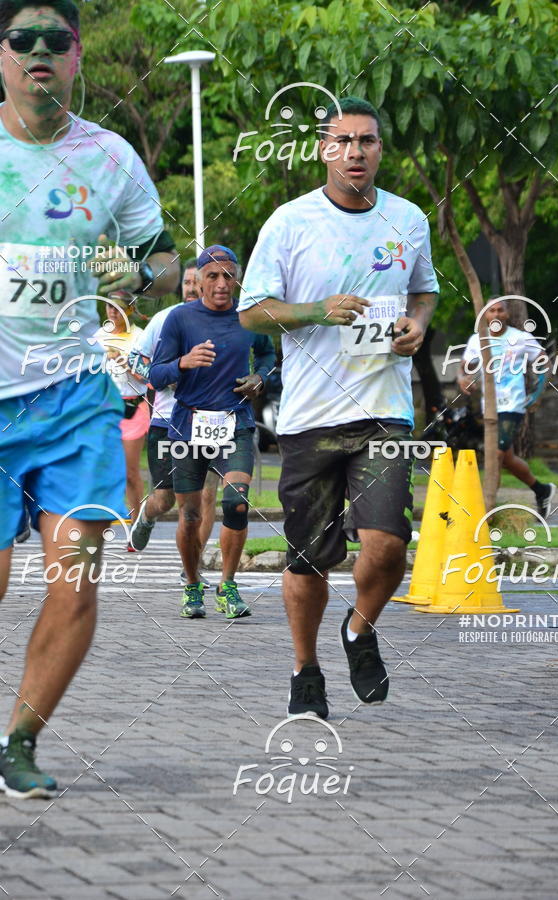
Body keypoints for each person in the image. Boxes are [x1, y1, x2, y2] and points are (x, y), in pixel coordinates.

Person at [0, 0, 179, 798]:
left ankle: (18, 742)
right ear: (2, 54)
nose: (39, 50)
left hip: (75, 399)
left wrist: (138, 273)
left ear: (76, 56)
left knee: (75, 578)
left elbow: (166, 259)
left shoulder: (110, 159)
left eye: (57, 40)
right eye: (22, 39)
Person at [238, 96, 439, 719]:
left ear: (380, 150)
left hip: (384, 409)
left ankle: (359, 628)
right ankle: (305, 670)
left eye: (367, 140)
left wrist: (417, 326)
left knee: (388, 544)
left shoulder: (408, 219)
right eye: (343, 140)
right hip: (310, 417)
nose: (356, 151)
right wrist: (315, 310)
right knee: (308, 560)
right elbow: (252, 312)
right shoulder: (289, 222)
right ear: (324, 149)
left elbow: (424, 292)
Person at [150, 245, 275, 620]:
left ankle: (228, 585)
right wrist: (183, 363)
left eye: (228, 275)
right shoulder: (180, 319)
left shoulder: (249, 316)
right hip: (188, 426)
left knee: (236, 503)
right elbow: (155, 375)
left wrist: (260, 377)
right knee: (189, 515)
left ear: (237, 279)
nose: (222, 283)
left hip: (235, 423)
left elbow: (268, 356)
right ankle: (192, 584)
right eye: (213, 276)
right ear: (200, 280)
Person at [129, 259, 220, 575]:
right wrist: (163, 378)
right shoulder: (165, 318)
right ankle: (147, 515)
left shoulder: (224, 320)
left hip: (211, 421)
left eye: (198, 282)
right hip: (167, 420)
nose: (192, 288)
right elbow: (136, 359)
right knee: (166, 499)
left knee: (206, 495)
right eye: (187, 282)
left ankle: (191, 568)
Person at [458, 298, 555, 517]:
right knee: (507, 459)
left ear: (507, 314)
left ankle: (488, 508)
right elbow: (464, 368)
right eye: (491, 310)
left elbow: (545, 364)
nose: (496, 314)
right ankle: (542, 490)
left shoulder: (521, 338)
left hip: (513, 404)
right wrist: (463, 379)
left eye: (500, 310)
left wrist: (537, 394)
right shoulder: (477, 340)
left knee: (496, 454)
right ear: (485, 315)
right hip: (490, 407)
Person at [95, 302, 149, 520]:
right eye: (109, 306)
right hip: (104, 409)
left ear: (130, 309)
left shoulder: (141, 337)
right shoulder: (98, 336)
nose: (113, 311)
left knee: (129, 472)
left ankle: (136, 525)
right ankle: (97, 524)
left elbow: (148, 377)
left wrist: (125, 363)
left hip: (133, 407)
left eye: (119, 307)